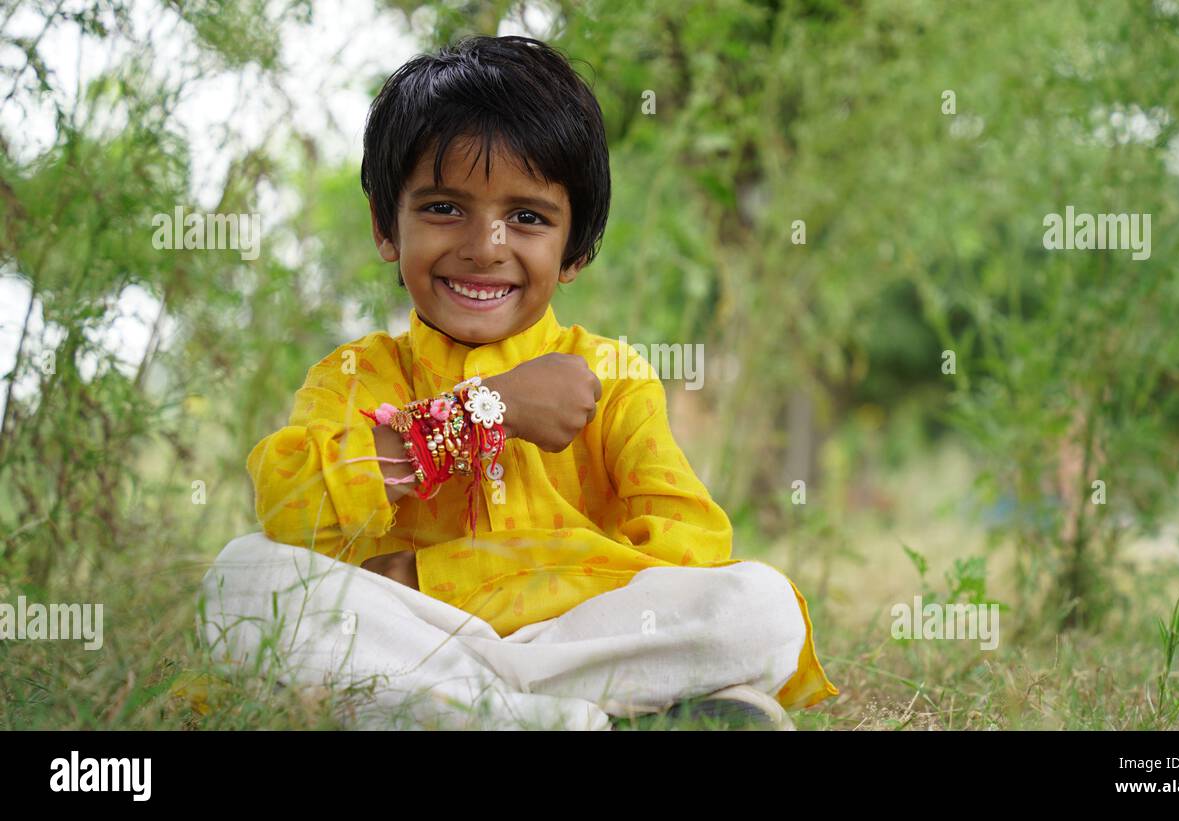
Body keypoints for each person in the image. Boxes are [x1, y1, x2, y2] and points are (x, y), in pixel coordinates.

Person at [197, 35, 837, 730]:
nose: (485, 245)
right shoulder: (355, 374)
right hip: (411, 635)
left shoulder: (614, 379)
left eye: (527, 217)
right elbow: (291, 504)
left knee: (760, 606)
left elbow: (690, 546)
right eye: (444, 208)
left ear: (576, 249)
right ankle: (572, 717)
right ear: (388, 226)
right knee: (241, 580)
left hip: (571, 637)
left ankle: (475, 712)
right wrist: (480, 415)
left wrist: (431, 578)